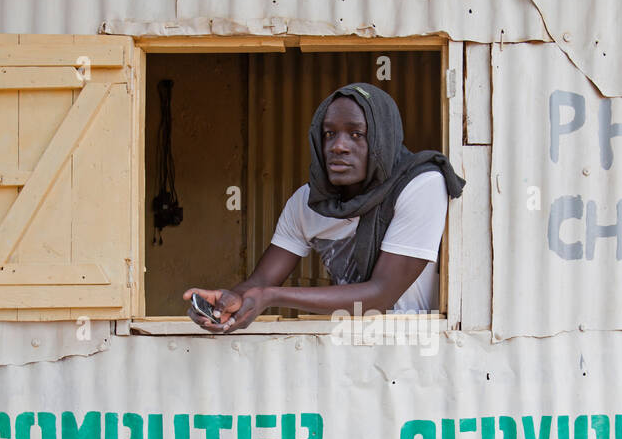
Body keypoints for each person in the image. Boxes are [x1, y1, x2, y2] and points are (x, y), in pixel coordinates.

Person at [184, 82, 465, 331]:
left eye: (357, 134)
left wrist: (272, 296)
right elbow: (260, 281)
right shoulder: (307, 203)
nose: (338, 146)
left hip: (413, 348)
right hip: (345, 345)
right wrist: (227, 304)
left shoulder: (420, 185)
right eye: (329, 134)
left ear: (383, 139)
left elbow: (381, 295)